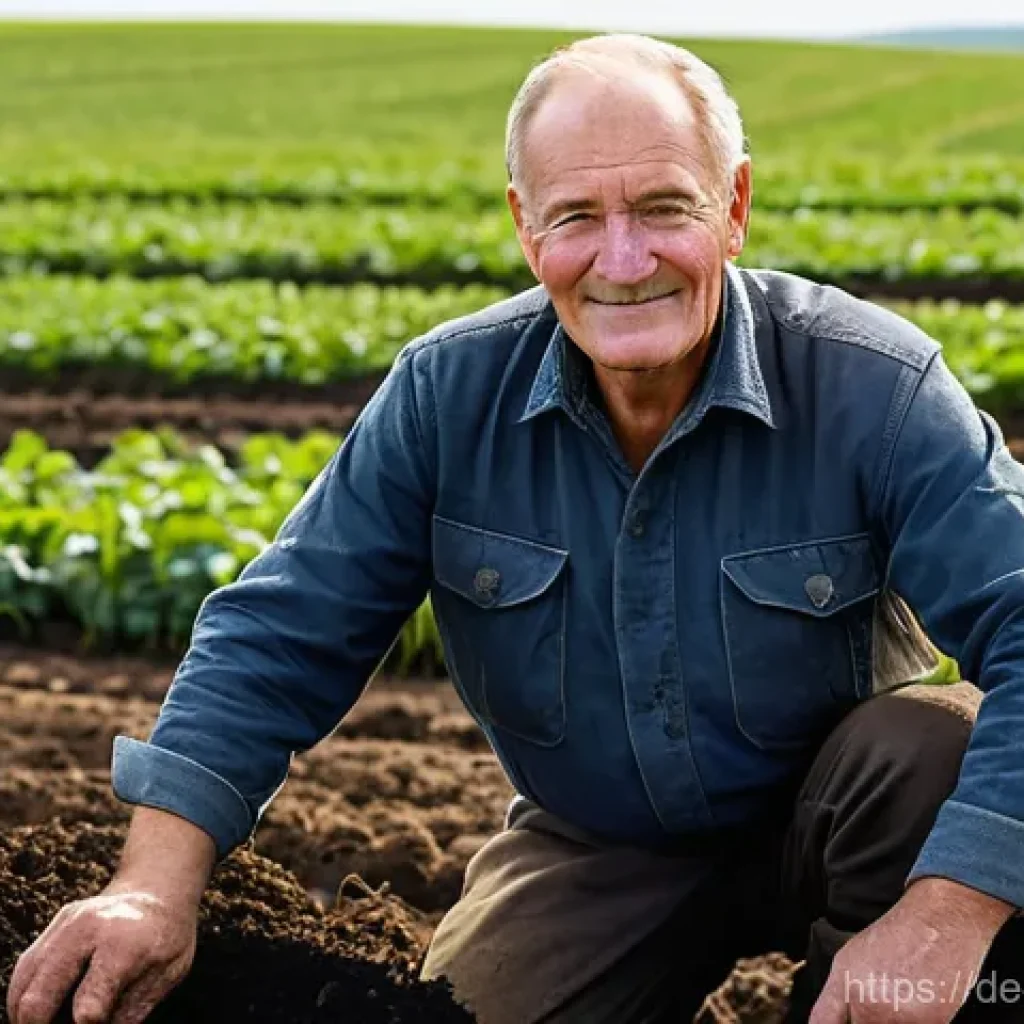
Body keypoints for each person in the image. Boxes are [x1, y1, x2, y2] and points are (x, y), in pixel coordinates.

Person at [8, 32, 1024, 1024]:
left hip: (850, 821)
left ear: (735, 207)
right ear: (523, 226)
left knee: (932, 749)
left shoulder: (873, 387)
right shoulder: (448, 397)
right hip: (596, 844)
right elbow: (279, 636)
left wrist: (946, 910)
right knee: (452, 1014)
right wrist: (151, 884)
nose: (624, 260)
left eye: (665, 208)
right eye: (576, 215)